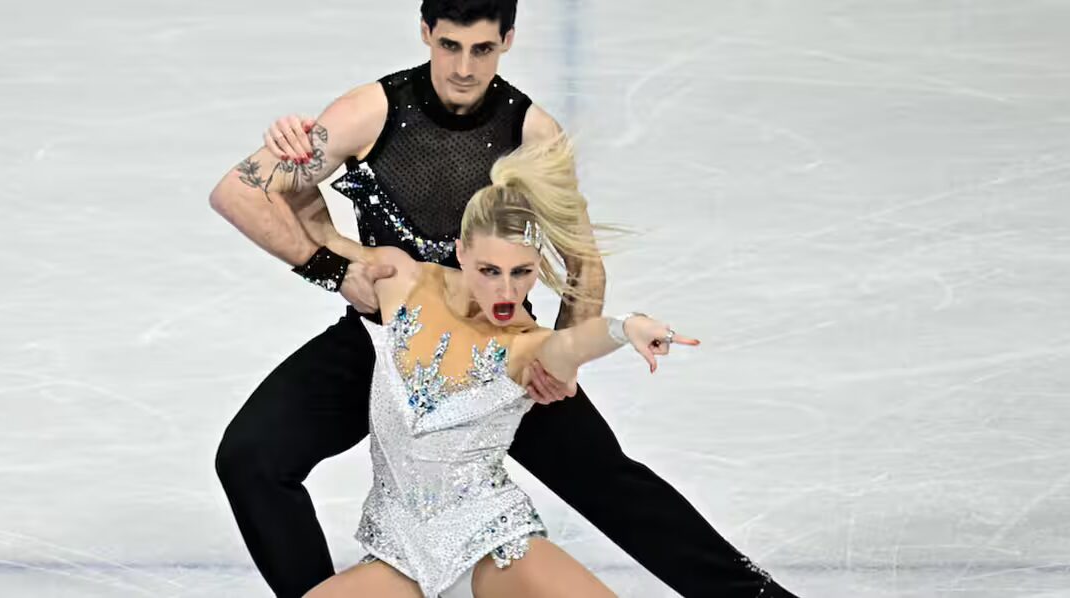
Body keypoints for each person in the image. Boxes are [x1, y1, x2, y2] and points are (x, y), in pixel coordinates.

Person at [209, 1, 797, 596]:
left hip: (496, 352)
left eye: (482, 49)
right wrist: (333, 271)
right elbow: (239, 192)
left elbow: (583, 263)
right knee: (251, 458)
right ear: (426, 33)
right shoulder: (369, 113)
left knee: (610, 483)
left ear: (508, 40)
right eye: (450, 46)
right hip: (384, 342)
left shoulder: (532, 134)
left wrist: (560, 365)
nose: (464, 68)